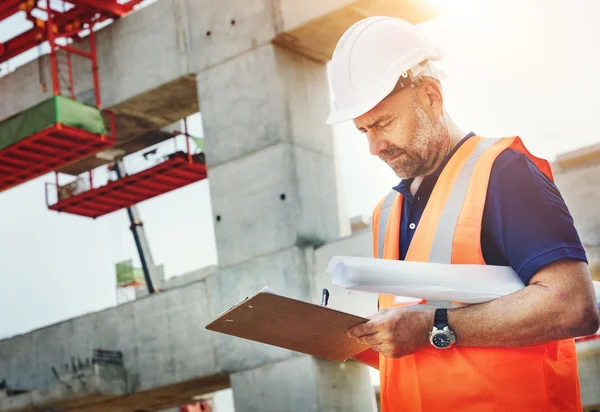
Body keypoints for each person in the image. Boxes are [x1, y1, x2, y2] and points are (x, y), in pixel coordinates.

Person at [326, 16, 600, 412]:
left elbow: (573, 305)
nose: (375, 146)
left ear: (431, 96)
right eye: (363, 130)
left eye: (383, 123)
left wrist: (432, 329)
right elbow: (418, 341)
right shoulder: (386, 213)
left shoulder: (503, 173)